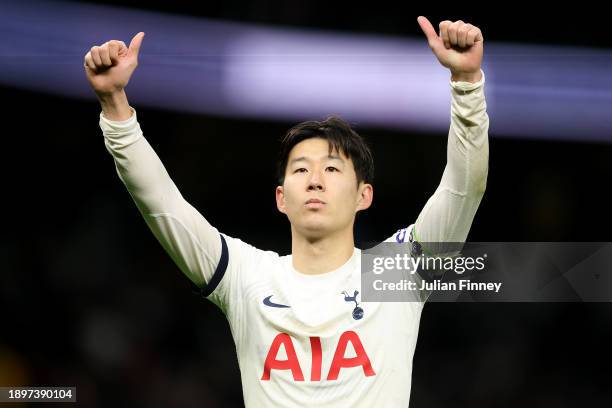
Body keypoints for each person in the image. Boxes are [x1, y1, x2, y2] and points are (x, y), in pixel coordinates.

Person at [84, 15, 488, 407]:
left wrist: (467, 84)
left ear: (363, 195)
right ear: (281, 198)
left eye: (332, 168)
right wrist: (114, 106)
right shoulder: (245, 275)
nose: (315, 179)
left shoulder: (397, 272)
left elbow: (464, 188)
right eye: (301, 169)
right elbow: (161, 204)